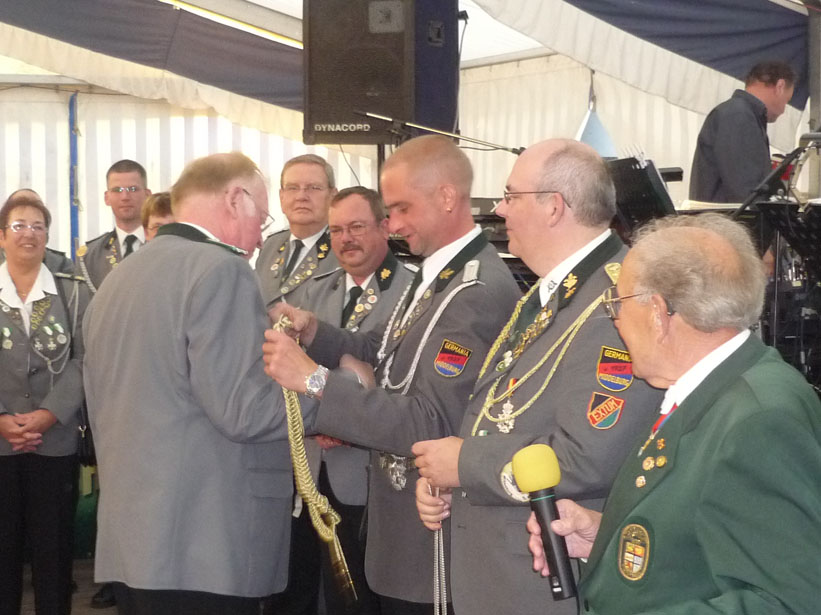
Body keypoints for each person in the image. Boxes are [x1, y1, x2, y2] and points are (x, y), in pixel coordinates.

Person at [263, 135, 521, 614]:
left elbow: (429, 422)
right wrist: (313, 329)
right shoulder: (434, 275)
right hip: (402, 526)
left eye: (402, 209)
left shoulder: (473, 292)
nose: (395, 225)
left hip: (431, 533)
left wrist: (315, 381)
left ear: (447, 197)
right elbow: (376, 348)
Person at [412, 139, 663, 615]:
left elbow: (588, 455)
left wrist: (465, 464)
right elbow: (502, 415)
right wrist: (451, 476)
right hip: (505, 569)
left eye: (511, 195)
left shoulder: (613, 302)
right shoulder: (553, 292)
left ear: (554, 207)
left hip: (547, 578)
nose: (499, 209)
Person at [527, 213, 821, 615]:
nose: (615, 319)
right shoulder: (711, 390)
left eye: (618, 302)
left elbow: (790, 601)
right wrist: (605, 540)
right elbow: (705, 544)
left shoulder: (759, 420)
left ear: (658, 312)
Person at [83, 152, 316, 615]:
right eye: (261, 218)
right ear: (235, 199)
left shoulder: (118, 278)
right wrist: (325, 387)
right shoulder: (223, 270)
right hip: (207, 546)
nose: (260, 238)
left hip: (135, 545)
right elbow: (245, 412)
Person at [302, 186, 414, 615]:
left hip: (371, 470)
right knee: (323, 594)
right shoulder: (314, 291)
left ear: (384, 227)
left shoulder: (410, 292)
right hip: (313, 466)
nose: (345, 238)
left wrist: (343, 422)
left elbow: (401, 378)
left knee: (367, 597)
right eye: (336, 230)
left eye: (356, 227)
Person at [0, 190, 90, 615]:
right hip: (0, 442)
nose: (29, 234)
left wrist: (49, 413)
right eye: (19, 225)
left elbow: (85, 359)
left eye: (38, 226)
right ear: (2, 236)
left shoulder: (73, 292)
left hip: (54, 441)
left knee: (53, 555)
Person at [689, 61, 796, 203]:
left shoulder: (738, 113)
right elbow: (746, 190)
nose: (783, 110)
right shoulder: (739, 116)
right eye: (786, 101)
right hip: (726, 216)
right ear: (780, 87)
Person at [255, 154, 339, 307]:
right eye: (292, 188)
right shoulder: (270, 246)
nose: (301, 196)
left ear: (333, 196)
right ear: (281, 197)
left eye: (314, 188)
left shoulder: (343, 249)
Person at [77, 159, 151, 294]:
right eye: (117, 190)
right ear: (107, 198)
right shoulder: (90, 256)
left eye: (133, 189)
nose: (125, 197)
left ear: (147, 195)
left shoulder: (165, 246)